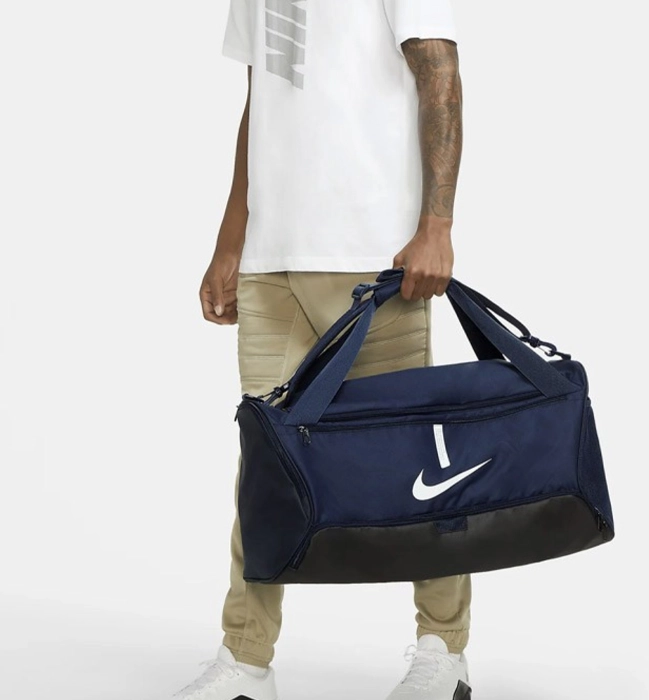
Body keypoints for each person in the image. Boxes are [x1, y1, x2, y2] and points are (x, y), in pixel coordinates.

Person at [172, 1, 470, 698]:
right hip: (271, 261)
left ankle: (444, 651)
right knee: (265, 468)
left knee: (413, 463)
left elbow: (440, 73)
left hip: (375, 259)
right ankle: (246, 659)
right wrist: (232, 239)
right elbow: (261, 101)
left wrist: (436, 226)